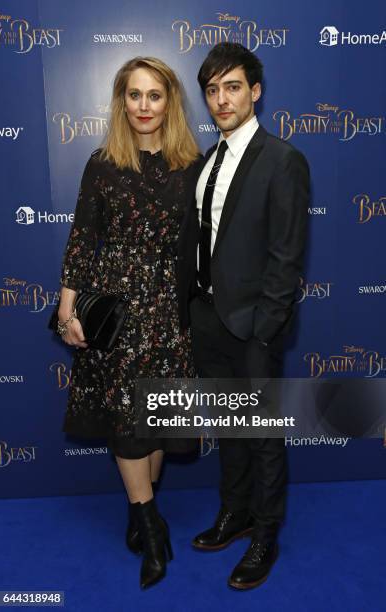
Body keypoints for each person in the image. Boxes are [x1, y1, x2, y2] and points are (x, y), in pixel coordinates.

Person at [56, 56, 200, 589]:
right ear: (122, 101)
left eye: (154, 95)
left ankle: (141, 510)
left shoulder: (192, 166)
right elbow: (80, 241)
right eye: (134, 95)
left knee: (156, 417)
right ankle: (151, 526)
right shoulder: (101, 163)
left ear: (170, 102)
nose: (144, 106)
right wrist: (68, 309)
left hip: (170, 309)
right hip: (116, 314)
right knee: (126, 419)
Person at [178, 43, 310, 590]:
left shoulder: (283, 160)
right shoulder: (205, 163)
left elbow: (287, 254)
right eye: (212, 90)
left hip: (254, 326)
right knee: (229, 430)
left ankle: (265, 532)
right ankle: (234, 513)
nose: (221, 99)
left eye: (232, 86)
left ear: (254, 92)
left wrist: (266, 325)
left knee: (261, 434)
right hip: (207, 319)